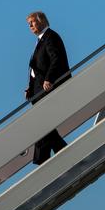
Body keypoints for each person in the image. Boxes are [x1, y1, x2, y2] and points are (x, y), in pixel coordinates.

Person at [24, 11, 71, 165]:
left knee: (42, 124)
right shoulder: (40, 40)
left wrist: (49, 79)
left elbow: (56, 59)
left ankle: (44, 158)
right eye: (28, 24)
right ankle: (47, 157)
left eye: (32, 22)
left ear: (42, 21)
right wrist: (30, 88)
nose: (30, 26)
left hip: (48, 89)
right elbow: (36, 68)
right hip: (38, 91)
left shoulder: (50, 37)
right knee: (42, 125)